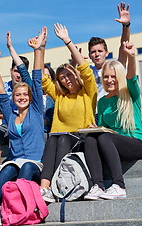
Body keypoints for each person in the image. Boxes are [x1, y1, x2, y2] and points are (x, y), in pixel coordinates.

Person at [0, 29, 46, 226]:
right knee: (7, 170)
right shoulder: (11, 114)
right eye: (18, 95)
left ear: (30, 97)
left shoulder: (36, 109)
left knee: (26, 167)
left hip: (34, 163)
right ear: (13, 98)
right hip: (15, 160)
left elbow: (37, 78)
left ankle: (9, 209)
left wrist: (38, 50)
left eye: (25, 94)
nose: (22, 97)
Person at [39, 23, 97, 203]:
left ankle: (57, 184)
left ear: (75, 75)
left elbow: (86, 70)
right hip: (59, 139)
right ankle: (44, 189)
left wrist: (67, 41)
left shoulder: (88, 92)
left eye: (69, 75)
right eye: (62, 78)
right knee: (53, 138)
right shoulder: (59, 96)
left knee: (61, 138)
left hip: (79, 140)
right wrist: (41, 48)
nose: (66, 80)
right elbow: (41, 78)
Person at [83, 41, 142, 200]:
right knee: (91, 138)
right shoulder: (102, 101)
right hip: (113, 143)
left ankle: (119, 185)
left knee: (104, 137)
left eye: (113, 76)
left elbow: (131, 76)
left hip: (134, 144)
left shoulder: (130, 93)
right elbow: (105, 129)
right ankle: (97, 185)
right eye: (106, 77)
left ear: (119, 77)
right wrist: (96, 128)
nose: (110, 80)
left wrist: (131, 57)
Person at [88, 2, 131, 101]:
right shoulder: (88, 71)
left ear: (106, 53)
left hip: (112, 109)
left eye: (100, 51)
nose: (97, 54)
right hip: (94, 113)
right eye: (93, 52)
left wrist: (126, 25)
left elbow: (123, 46)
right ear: (89, 55)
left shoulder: (115, 66)